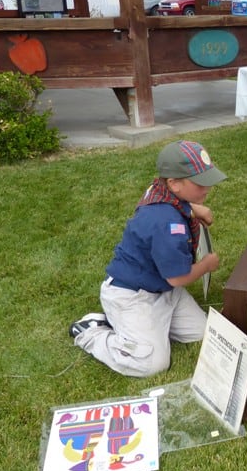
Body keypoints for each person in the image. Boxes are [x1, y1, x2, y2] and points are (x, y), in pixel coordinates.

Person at [69, 140, 226, 377]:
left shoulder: (161, 191)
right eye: (200, 184)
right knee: (151, 364)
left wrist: (193, 208)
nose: (207, 189)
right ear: (174, 183)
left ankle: (139, 328)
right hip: (132, 296)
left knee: (203, 332)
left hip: (162, 291)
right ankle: (91, 331)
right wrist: (206, 265)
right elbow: (177, 278)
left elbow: (174, 203)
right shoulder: (166, 224)